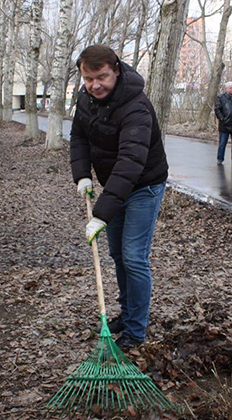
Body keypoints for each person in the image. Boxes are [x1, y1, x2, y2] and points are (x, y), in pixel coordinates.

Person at [69, 45, 169, 350]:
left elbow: (130, 163)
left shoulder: (135, 106)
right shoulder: (86, 99)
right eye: (88, 79)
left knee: (134, 257)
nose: (95, 85)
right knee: (117, 256)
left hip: (144, 186)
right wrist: (82, 174)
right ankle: (127, 316)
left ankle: (136, 331)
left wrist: (101, 214)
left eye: (101, 77)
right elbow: (78, 137)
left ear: (116, 70)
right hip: (115, 185)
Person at [214, 82, 232, 166]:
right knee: (222, 143)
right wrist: (222, 119)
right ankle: (220, 159)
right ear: (226, 89)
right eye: (230, 88)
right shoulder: (221, 98)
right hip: (224, 125)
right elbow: (217, 110)